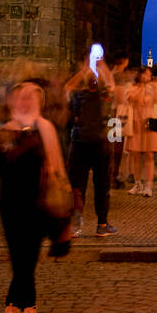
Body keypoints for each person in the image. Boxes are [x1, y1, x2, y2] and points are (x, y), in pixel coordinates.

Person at [0, 79, 72, 313]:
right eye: (20, 97)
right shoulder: (6, 130)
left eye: (30, 97)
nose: (24, 101)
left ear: (38, 102)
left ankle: (27, 305)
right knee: (18, 256)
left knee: (28, 257)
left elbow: (58, 168)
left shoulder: (46, 128)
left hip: (38, 202)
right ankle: (15, 302)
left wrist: (65, 206)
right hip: (9, 203)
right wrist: (4, 147)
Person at [65, 55, 117, 234]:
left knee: (78, 186)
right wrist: (102, 66)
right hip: (101, 145)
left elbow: (68, 86)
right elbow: (111, 83)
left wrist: (84, 70)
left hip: (79, 143)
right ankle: (102, 225)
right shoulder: (106, 97)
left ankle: (75, 226)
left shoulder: (77, 96)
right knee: (102, 185)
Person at [123, 65, 157, 197]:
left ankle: (149, 186)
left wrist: (151, 89)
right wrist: (141, 88)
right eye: (146, 74)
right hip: (135, 124)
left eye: (149, 75)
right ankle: (138, 184)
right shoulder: (132, 88)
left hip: (148, 124)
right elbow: (131, 98)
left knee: (149, 156)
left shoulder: (152, 88)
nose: (148, 77)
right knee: (136, 156)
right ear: (140, 75)